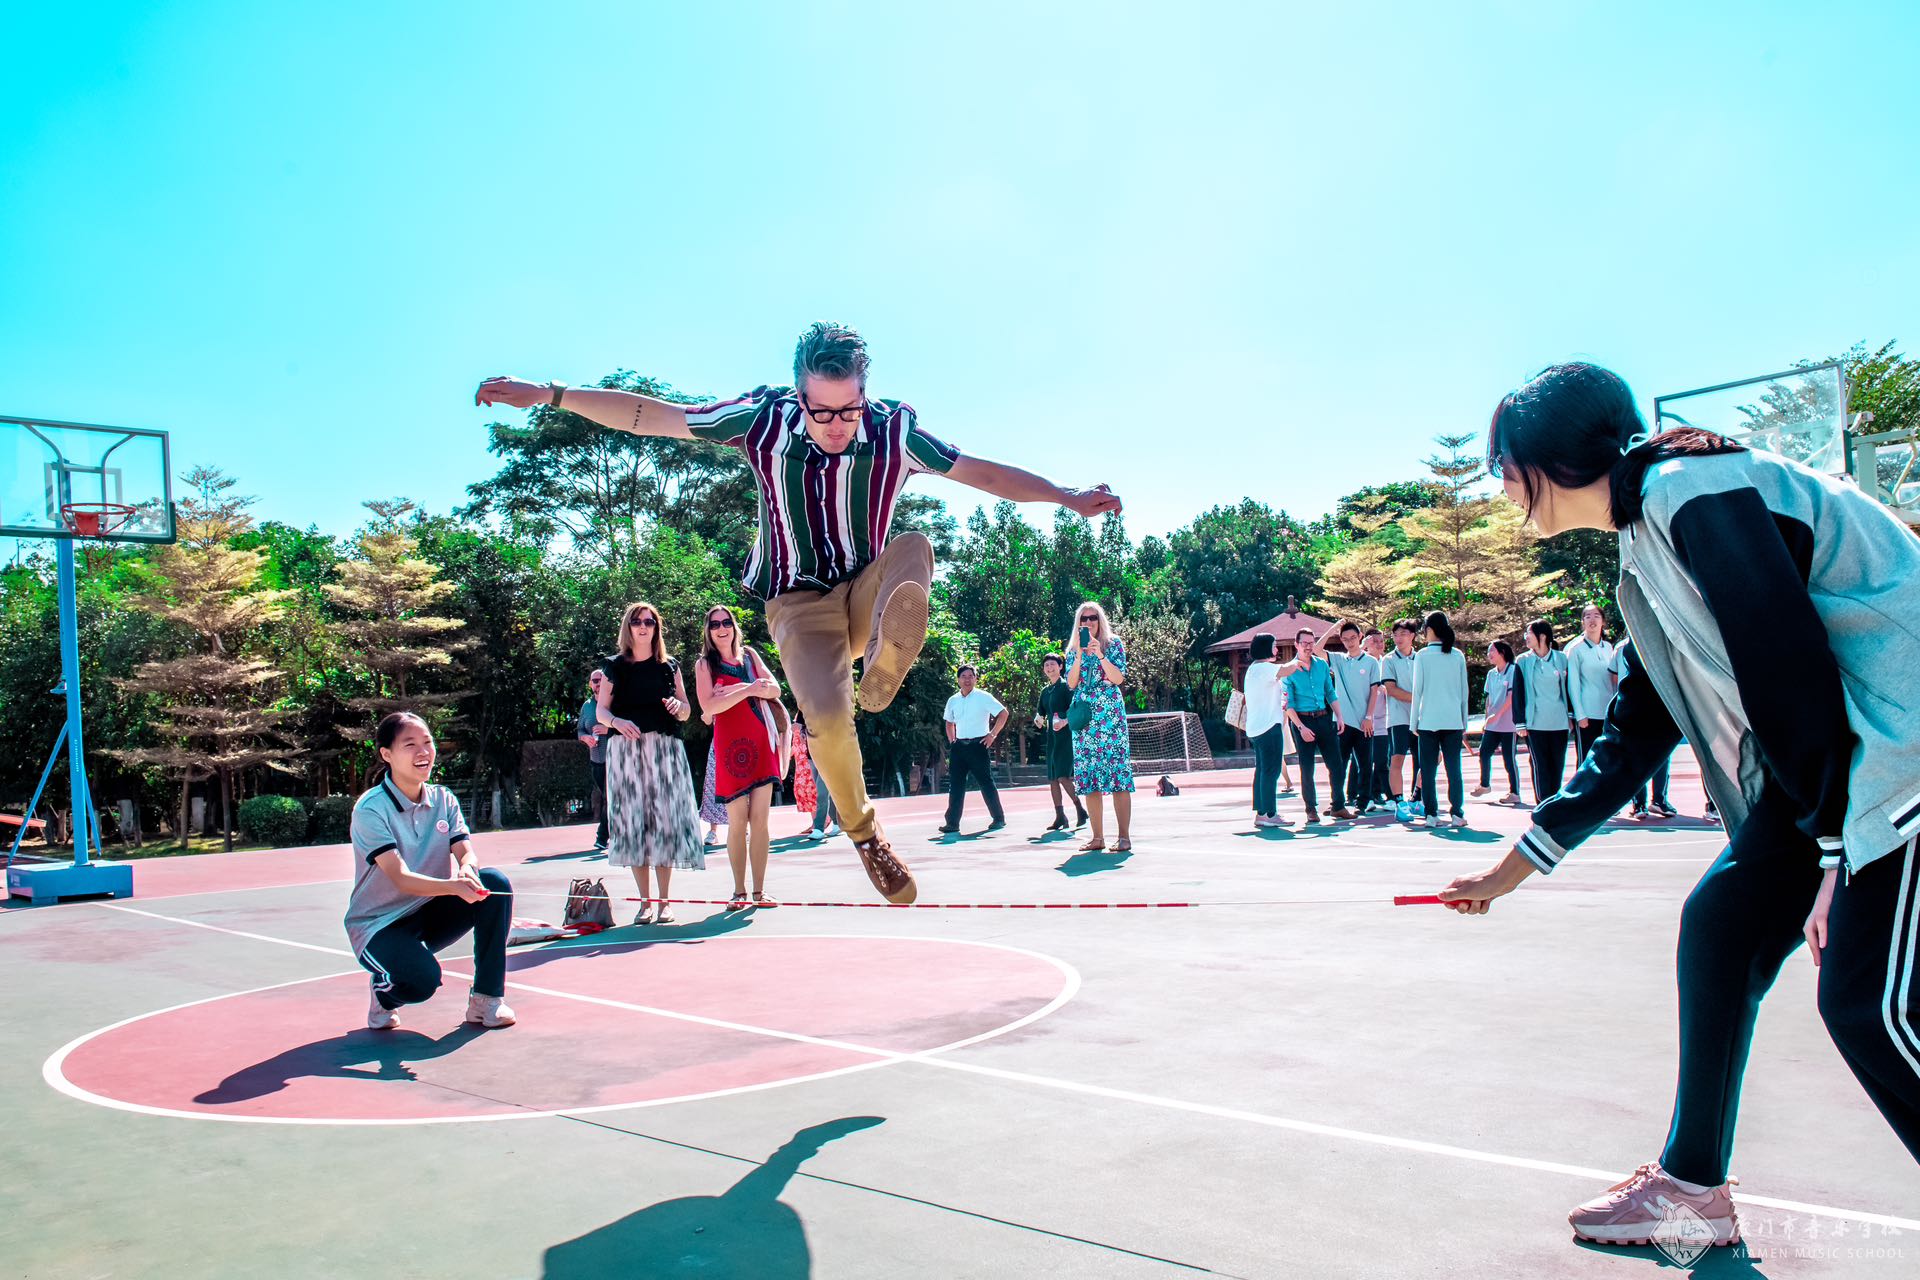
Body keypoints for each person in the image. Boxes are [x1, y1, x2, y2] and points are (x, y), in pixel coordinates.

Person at [1439, 360, 1920, 1248]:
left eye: (1504, 466)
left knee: (1867, 1006)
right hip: (1850, 761)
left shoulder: (1688, 489)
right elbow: (1638, 727)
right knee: (1723, 927)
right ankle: (1692, 1189)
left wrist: (1829, 849)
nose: (1501, 487)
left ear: (1551, 459)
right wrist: (1514, 868)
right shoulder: (1647, 536)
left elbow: (1787, 670)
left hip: (1903, 752)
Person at [478, 324, 1119, 904]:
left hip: (866, 590)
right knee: (830, 720)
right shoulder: (763, 420)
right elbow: (654, 417)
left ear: (865, 393)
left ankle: (887, 654)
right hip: (798, 603)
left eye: (849, 409)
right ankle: (866, 834)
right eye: (822, 411)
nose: (838, 425)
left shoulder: (894, 430)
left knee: (914, 549)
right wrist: (551, 394)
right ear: (799, 396)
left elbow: (982, 474)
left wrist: (1066, 497)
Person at [347, 711, 515, 1031]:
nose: (423, 751)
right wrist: (453, 887)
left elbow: (465, 850)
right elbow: (400, 877)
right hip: (379, 926)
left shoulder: (443, 799)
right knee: (421, 982)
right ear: (386, 754)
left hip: (428, 911)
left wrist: (467, 869)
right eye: (410, 744)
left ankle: (486, 999)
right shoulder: (371, 809)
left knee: (494, 884)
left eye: (428, 742)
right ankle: (383, 994)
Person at [597, 601, 704, 926]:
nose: (643, 626)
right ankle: (644, 903)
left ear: (657, 627)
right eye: (637, 621)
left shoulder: (669, 666)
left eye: (649, 621)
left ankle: (664, 902)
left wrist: (679, 708)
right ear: (628, 627)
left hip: (665, 749)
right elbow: (601, 711)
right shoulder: (614, 666)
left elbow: (686, 710)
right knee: (634, 825)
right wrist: (616, 722)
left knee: (664, 824)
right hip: (626, 752)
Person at [695, 605, 783, 911]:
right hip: (730, 750)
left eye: (726, 622)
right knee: (736, 823)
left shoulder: (750, 655)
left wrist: (735, 692)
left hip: (761, 744)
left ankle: (759, 890)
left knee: (760, 821)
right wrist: (749, 689)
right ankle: (738, 891)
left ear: (734, 626)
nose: (721, 628)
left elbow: (775, 689)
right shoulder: (705, 665)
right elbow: (709, 707)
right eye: (714, 624)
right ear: (708, 631)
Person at [1065, 601, 1134, 851]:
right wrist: (1080, 655)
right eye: (1083, 619)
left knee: (1118, 774)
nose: (1088, 622)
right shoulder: (1073, 649)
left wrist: (1100, 654)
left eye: (1093, 618)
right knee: (1089, 776)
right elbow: (1071, 683)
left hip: (1110, 716)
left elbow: (1118, 678)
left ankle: (1124, 837)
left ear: (1100, 620)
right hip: (1085, 720)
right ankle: (1097, 837)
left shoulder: (1113, 644)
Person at [1284, 628, 1354, 824]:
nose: (1308, 647)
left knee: (1336, 764)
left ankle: (1338, 806)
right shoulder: (1289, 670)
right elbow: (1288, 704)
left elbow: (1330, 692)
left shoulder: (1321, 665)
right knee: (1307, 768)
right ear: (1296, 644)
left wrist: (1339, 716)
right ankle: (1311, 809)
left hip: (1324, 718)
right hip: (1303, 721)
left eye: (1311, 643)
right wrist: (1300, 727)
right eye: (1304, 643)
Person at [1411, 611, 1470, 829]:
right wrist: (1463, 721)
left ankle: (1431, 814)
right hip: (1453, 720)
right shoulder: (1456, 655)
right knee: (1454, 769)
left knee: (1428, 770)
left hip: (1428, 721)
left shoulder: (1422, 655)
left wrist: (1413, 722)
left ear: (1430, 629)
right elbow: (1464, 692)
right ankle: (1457, 813)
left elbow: (1417, 691)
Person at [1320, 620, 1381, 815]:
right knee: (1338, 765)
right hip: (1342, 723)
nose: (1350, 642)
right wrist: (1332, 628)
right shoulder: (1338, 659)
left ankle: (1362, 803)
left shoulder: (1371, 662)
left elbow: (1374, 691)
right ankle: (1337, 802)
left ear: (1360, 636)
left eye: (1353, 637)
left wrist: (1369, 716)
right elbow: (1317, 649)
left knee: (1365, 764)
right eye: (1345, 639)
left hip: (1364, 722)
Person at [940, 665, 1009, 834]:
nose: (967, 679)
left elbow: (1003, 713)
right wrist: (952, 740)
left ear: (976, 679)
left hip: (978, 745)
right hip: (959, 747)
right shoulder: (953, 700)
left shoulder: (983, 697)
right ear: (958, 679)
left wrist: (992, 735)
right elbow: (949, 722)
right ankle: (952, 823)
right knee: (956, 784)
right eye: (963, 676)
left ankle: (998, 818)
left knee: (985, 782)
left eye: (971, 676)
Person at [1511, 618, 1574, 804]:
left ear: (1543, 636)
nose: (1526, 637)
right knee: (1540, 765)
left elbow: (1569, 689)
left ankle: (1555, 802)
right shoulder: (1522, 661)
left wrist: (1571, 715)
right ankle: (1544, 804)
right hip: (1535, 722)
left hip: (1559, 721)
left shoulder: (1561, 659)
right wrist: (1520, 722)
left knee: (1557, 765)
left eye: (1529, 633)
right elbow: (1518, 693)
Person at [1611, 642, 1675, 819]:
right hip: (1633, 709)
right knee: (1636, 756)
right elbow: (1614, 678)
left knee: (1662, 754)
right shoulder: (1621, 648)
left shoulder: (1657, 641)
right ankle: (1639, 804)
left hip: (1659, 706)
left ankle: (1659, 800)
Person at [1243, 632, 1293, 829]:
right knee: (1271, 771)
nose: (1277, 649)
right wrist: (1302, 657)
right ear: (1266, 648)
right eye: (1274, 645)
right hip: (1268, 726)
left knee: (1263, 770)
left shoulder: (1254, 669)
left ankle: (1262, 813)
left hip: (1257, 727)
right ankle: (1270, 814)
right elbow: (1288, 669)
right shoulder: (1264, 668)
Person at [1034, 653, 1087, 832]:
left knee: (1063, 776)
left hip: (1065, 737)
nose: (1049, 668)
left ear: (1060, 666)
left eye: (1053, 664)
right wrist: (1038, 719)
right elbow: (1041, 712)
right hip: (1051, 737)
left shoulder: (1066, 687)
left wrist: (1064, 721)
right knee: (1052, 778)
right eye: (1046, 665)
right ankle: (1060, 816)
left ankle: (1080, 809)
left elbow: (1076, 709)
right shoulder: (1045, 691)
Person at [1565, 602, 1617, 765]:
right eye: (1587, 616)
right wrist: (1580, 714)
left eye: (1596, 616)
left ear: (1603, 621)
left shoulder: (1608, 647)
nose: (1592, 620)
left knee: (1607, 760)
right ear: (1583, 622)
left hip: (1607, 713)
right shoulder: (1576, 649)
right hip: (1588, 714)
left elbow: (1613, 680)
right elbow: (1573, 684)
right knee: (1586, 761)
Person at [1470, 640, 1522, 803]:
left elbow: (1511, 696)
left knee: (1509, 758)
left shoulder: (1513, 670)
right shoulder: (1491, 674)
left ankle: (1515, 793)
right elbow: (1489, 698)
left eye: (1492, 650)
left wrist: (1498, 715)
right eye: (1488, 651)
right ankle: (1485, 784)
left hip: (1509, 724)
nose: (1489, 654)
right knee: (1484, 752)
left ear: (1502, 652)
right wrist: (1488, 718)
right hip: (1493, 724)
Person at [1378, 619, 1419, 805]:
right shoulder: (1388, 660)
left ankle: (1417, 798)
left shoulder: (1421, 658)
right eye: (1395, 635)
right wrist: (1418, 699)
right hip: (1398, 718)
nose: (1398, 638)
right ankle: (1399, 802)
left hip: (1421, 718)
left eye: (1403, 634)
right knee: (1397, 759)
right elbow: (1391, 689)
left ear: (1412, 636)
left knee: (1428, 758)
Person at [575, 669, 610, 850]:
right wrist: (585, 738)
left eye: (601, 680)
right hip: (596, 760)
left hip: (615, 758)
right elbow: (580, 729)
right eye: (595, 681)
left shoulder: (613, 702)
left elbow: (627, 726)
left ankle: (602, 837)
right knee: (608, 798)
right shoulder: (587, 706)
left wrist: (608, 729)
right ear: (590, 684)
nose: (598, 683)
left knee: (609, 797)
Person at [792, 711, 839, 840]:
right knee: (828, 792)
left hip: (828, 754)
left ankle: (819, 828)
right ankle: (837, 822)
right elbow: (798, 725)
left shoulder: (828, 706)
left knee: (821, 793)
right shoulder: (804, 708)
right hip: (811, 755)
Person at [1363, 628, 1390, 804]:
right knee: (1364, 761)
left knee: (1382, 759)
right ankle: (1358, 795)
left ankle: (1378, 792)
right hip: (1365, 719)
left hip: (1385, 719)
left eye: (1381, 641)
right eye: (1374, 641)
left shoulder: (1387, 662)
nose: (1379, 644)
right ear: (1366, 644)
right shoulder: (1362, 662)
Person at [698, 741, 728, 847]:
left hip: (741, 740)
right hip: (719, 740)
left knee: (741, 783)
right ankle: (713, 831)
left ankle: (744, 829)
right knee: (713, 784)